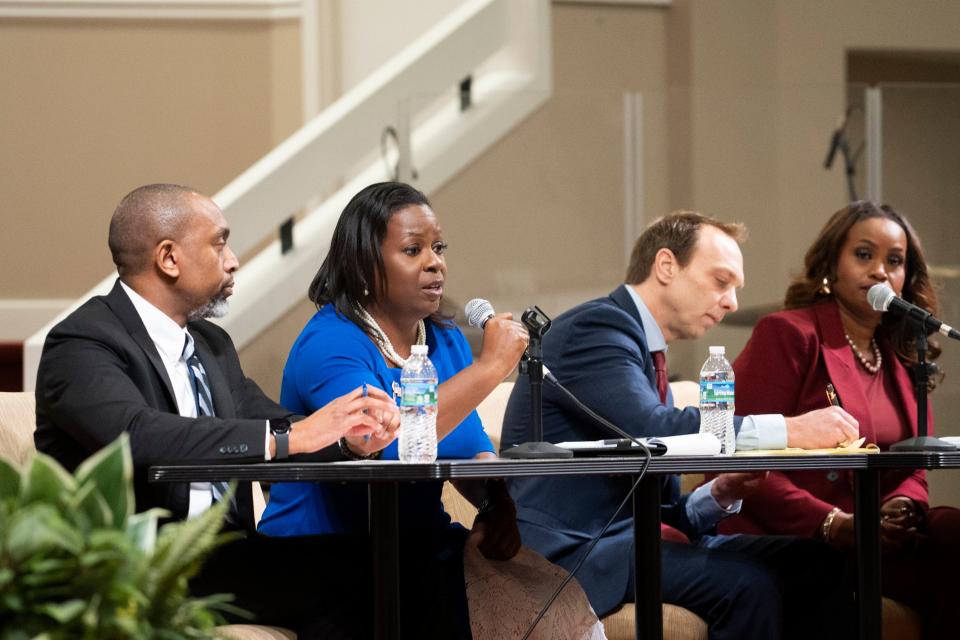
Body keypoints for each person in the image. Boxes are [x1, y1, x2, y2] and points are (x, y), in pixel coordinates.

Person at [33, 183, 474, 639]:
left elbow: (271, 421)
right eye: (219, 242)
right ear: (168, 258)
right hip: (139, 562)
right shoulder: (84, 343)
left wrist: (348, 436)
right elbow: (137, 434)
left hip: (227, 557)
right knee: (354, 581)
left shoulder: (210, 345)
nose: (233, 259)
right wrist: (288, 438)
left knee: (409, 563)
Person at [257, 182, 606, 640]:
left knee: (548, 601)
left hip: (419, 547)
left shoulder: (444, 339)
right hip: (324, 554)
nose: (435, 262)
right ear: (365, 265)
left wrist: (494, 504)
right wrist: (490, 367)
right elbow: (384, 446)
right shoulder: (331, 344)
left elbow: (469, 448)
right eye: (413, 249)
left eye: (438, 247)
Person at [501, 211, 860, 640]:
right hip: (577, 550)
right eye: (721, 281)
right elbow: (651, 430)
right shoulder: (595, 328)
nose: (732, 303)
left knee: (821, 563)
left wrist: (718, 495)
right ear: (667, 266)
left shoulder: (646, 348)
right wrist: (789, 429)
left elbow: (656, 494)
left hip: (630, 541)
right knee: (748, 585)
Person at [722, 201, 960, 639]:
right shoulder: (790, 334)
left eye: (895, 261)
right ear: (831, 264)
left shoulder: (902, 353)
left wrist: (902, 506)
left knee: (953, 536)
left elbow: (913, 465)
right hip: (796, 537)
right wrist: (832, 522)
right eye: (864, 255)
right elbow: (740, 456)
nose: (879, 271)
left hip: (874, 536)